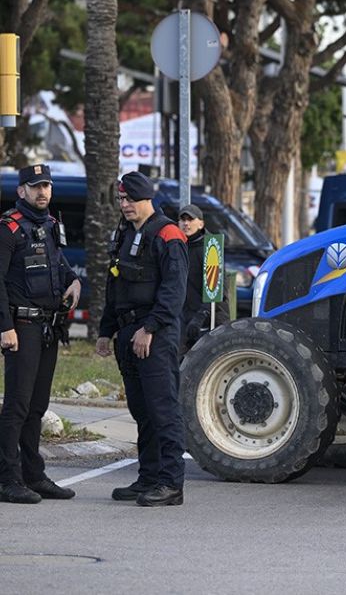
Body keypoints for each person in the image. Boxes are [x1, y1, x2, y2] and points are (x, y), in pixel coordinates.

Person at [95, 171, 188, 507]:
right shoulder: (123, 234)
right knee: (142, 411)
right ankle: (148, 477)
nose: (125, 205)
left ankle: (171, 483)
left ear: (147, 198)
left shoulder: (167, 234)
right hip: (127, 332)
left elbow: (173, 292)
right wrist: (106, 331)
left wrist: (149, 329)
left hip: (154, 336)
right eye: (121, 199)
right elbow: (114, 286)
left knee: (163, 410)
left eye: (130, 199)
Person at [0, 164, 81, 504]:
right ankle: (8, 478)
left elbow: (58, 265)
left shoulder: (48, 225)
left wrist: (74, 281)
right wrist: (4, 327)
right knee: (17, 406)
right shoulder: (8, 229)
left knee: (37, 406)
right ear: (22, 191)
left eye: (46, 185)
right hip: (21, 327)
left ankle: (34, 475)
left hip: (47, 327)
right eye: (35, 187)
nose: (42, 192)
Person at [178, 204, 229, 356]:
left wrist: (200, 317)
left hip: (210, 320)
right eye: (182, 219)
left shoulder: (211, 247)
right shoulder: (178, 247)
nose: (186, 223)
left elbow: (217, 291)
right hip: (185, 319)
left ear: (201, 223)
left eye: (190, 219)